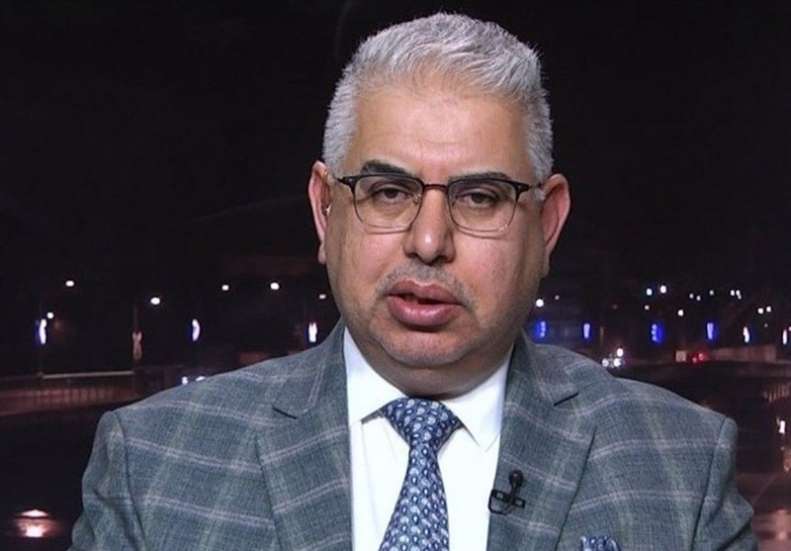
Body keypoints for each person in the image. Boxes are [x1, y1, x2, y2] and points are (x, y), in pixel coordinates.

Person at [69, 13, 756, 551]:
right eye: (388, 191)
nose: (428, 242)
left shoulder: (680, 467)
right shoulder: (154, 463)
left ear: (546, 224)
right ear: (325, 209)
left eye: (479, 197)